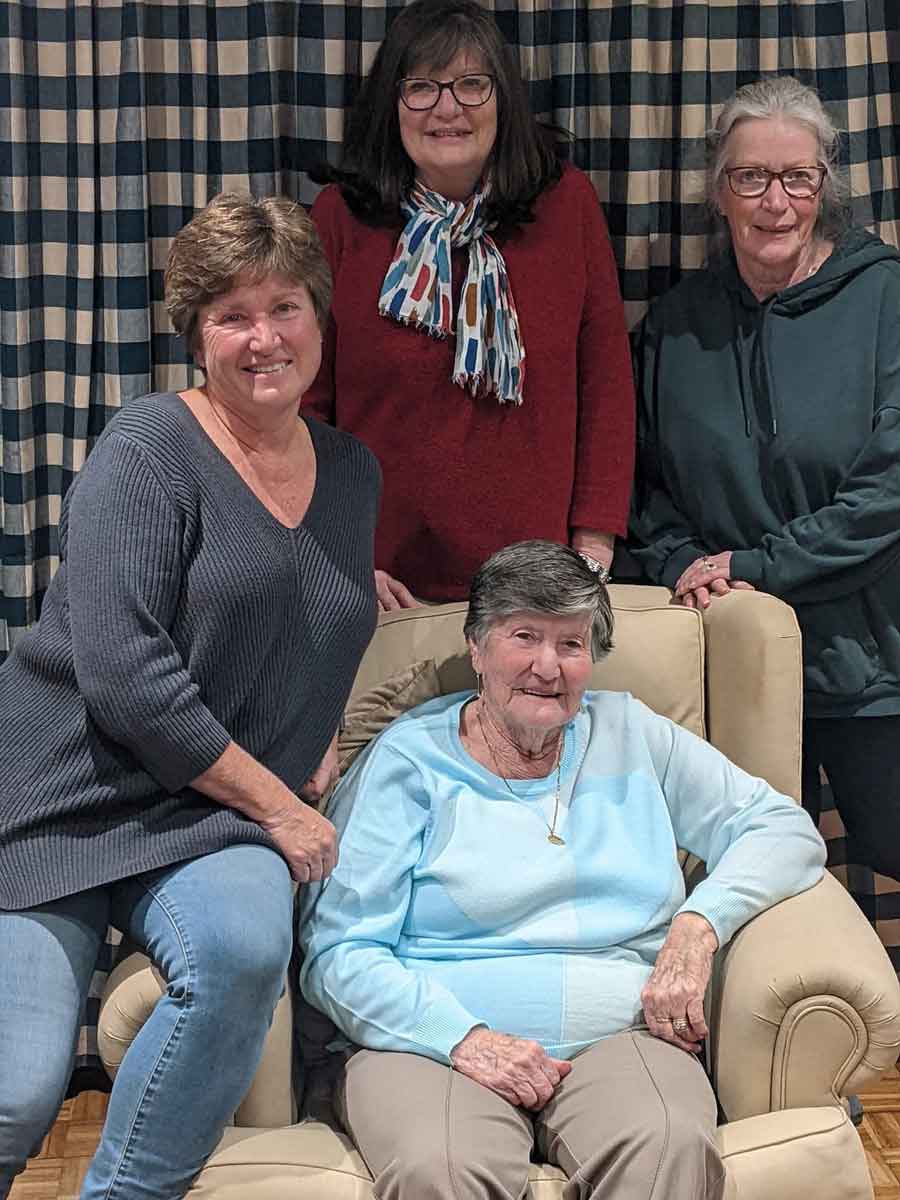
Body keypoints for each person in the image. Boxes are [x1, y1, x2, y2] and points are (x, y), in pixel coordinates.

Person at [0, 193, 381, 1199]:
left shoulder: (351, 472)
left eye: (286, 307)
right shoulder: (147, 450)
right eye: (232, 315)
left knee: (246, 953)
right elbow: (128, 675)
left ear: (320, 316)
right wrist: (280, 803)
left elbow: (320, 619)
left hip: (204, 813)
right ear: (196, 334)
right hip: (60, 798)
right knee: (15, 1092)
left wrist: (323, 727)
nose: (265, 338)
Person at [300, 539, 825, 1200]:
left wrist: (699, 924)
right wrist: (464, 1039)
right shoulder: (407, 764)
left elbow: (781, 829)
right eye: (524, 637)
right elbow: (340, 952)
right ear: (477, 647)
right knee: (442, 1168)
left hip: (618, 1033)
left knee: (666, 1143)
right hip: (432, 1043)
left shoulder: (633, 733)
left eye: (571, 644)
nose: (547, 667)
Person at [628, 75, 900, 882]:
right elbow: (642, 489)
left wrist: (757, 566)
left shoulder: (885, 295)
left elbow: (887, 494)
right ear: (719, 190)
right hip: (729, 664)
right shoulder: (676, 324)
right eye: (751, 177)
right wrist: (682, 565)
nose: (775, 201)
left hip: (872, 665)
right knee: (749, 884)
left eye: (798, 178)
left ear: (826, 186)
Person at [302, 0, 635, 611]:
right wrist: (337, 553)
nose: (447, 108)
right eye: (422, 87)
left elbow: (606, 383)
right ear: (390, 103)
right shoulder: (338, 218)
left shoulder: (567, 205)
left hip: (535, 590)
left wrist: (591, 550)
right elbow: (305, 406)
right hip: (379, 589)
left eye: (471, 85)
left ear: (502, 98)